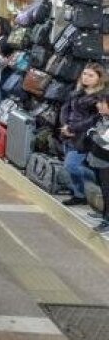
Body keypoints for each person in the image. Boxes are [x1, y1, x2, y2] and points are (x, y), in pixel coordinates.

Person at [59, 64, 106, 207]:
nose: (86, 77)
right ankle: (78, 194)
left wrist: (72, 127)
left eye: (91, 75)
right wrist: (65, 125)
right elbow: (64, 108)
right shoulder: (78, 91)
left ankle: (83, 190)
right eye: (84, 73)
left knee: (71, 166)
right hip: (68, 133)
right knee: (70, 166)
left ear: (99, 78)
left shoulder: (101, 97)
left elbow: (94, 120)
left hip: (83, 137)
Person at [85, 95, 109, 232]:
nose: (98, 105)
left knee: (108, 191)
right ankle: (104, 213)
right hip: (100, 160)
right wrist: (94, 133)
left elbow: (104, 143)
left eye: (102, 103)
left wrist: (93, 134)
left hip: (107, 162)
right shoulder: (103, 119)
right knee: (103, 189)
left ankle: (107, 220)